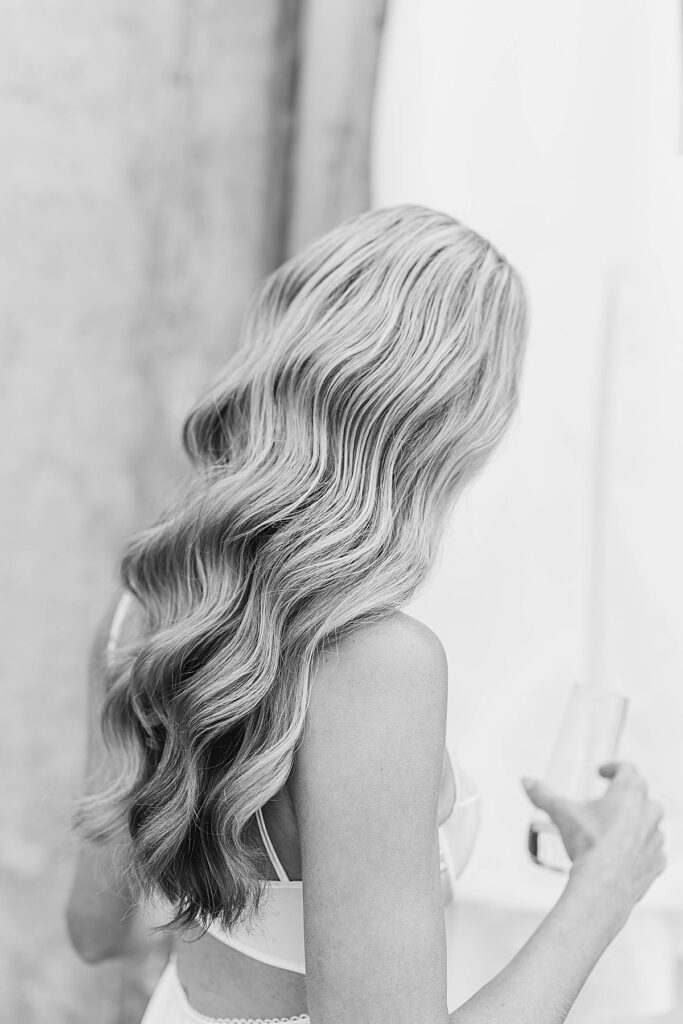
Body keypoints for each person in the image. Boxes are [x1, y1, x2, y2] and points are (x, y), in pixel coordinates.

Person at [65, 205, 666, 1024]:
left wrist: (222, 891)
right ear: (454, 425)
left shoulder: (155, 600)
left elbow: (97, 930)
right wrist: (602, 888)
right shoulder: (376, 666)